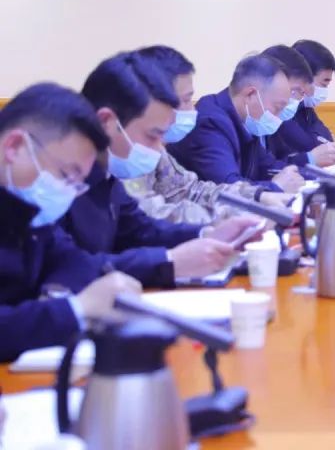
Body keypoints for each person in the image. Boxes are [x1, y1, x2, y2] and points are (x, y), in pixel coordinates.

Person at [64, 52, 261, 287]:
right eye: (152, 135)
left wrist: (207, 234)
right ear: (107, 121)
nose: (159, 150)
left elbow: (141, 229)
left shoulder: (106, 172)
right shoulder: (60, 180)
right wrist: (170, 260)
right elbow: (73, 266)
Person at [0, 83, 143, 361]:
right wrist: (75, 309)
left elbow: (73, 259)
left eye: (77, 183)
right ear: (14, 147)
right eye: (66, 175)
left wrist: (56, 296)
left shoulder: (25, 205)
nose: (67, 192)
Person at [122, 45, 293, 225]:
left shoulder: (153, 146)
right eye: (186, 100)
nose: (192, 109)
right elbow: (150, 217)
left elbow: (191, 190)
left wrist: (259, 196)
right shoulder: (126, 152)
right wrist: (235, 217)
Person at [170, 54, 305, 193]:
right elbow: (228, 186)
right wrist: (275, 188)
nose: (279, 117)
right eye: (277, 108)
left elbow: (268, 166)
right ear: (250, 95)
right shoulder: (210, 122)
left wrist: (307, 177)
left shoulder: (246, 121)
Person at [262, 44, 335, 169]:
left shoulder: (302, 108)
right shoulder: (279, 112)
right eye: (295, 90)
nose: (307, 91)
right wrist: (310, 158)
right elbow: (310, 146)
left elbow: (326, 139)